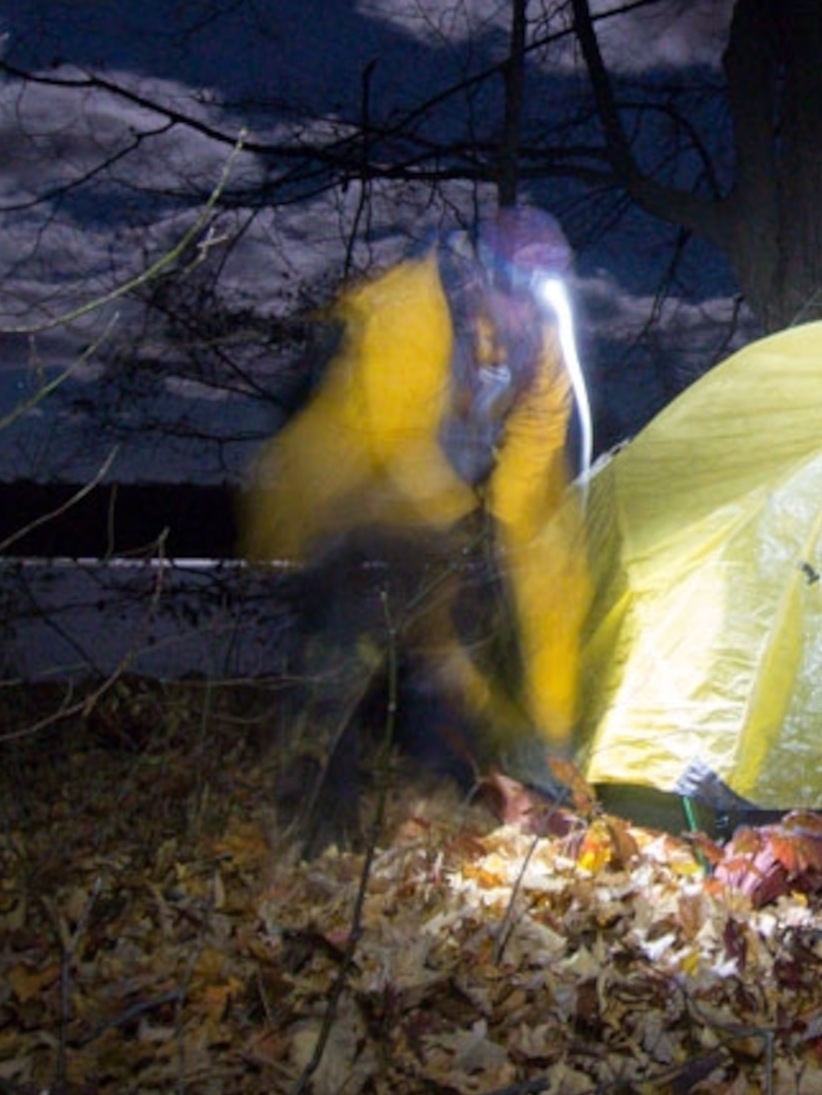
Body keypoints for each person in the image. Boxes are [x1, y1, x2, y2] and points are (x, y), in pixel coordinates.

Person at [240, 203, 592, 843]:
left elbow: (537, 524)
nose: (527, 311)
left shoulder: (542, 350)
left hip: (438, 519)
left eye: (542, 295)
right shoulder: (414, 306)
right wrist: (459, 526)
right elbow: (396, 446)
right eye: (517, 289)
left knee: (468, 656)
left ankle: (475, 799)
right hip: (344, 505)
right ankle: (310, 837)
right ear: (484, 275)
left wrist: (553, 724)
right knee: (342, 658)